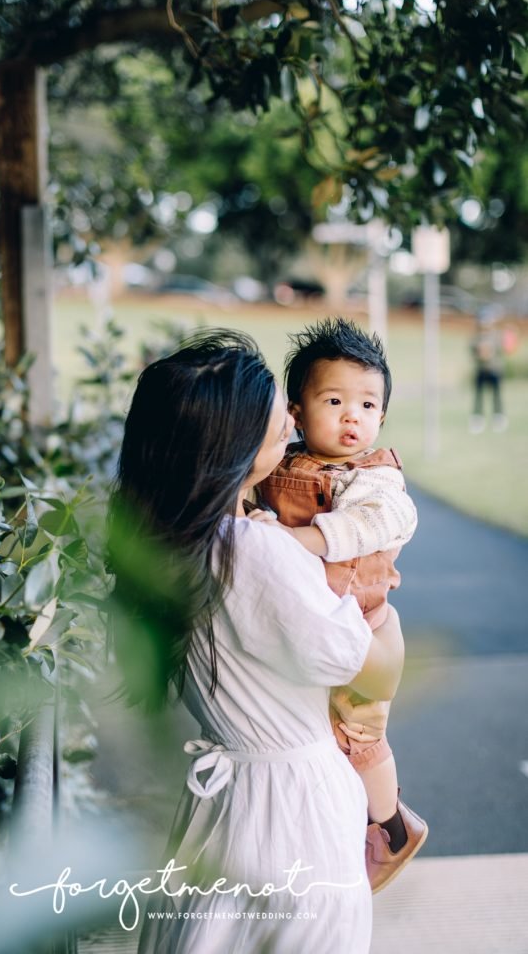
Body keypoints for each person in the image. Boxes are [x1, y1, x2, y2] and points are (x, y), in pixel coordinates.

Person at [107, 330, 404, 953]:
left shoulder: (170, 543)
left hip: (221, 808)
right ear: (233, 444)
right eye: (278, 417)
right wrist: (384, 618)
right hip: (293, 815)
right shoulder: (256, 551)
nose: (290, 423)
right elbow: (370, 670)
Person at [256, 318, 427, 894]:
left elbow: (379, 524)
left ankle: (392, 826)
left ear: (381, 417)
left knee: (358, 735)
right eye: (334, 400)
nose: (353, 416)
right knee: (319, 738)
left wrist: (294, 539)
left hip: (369, 631)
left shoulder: (373, 478)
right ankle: (341, 830)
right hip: (315, 630)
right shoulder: (278, 464)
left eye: (368, 404)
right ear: (297, 414)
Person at [469, 309, 508, 433]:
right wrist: (480, 353)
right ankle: (477, 419)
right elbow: (473, 352)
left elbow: (503, 349)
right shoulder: (476, 338)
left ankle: (499, 418)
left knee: (497, 396)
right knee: (478, 396)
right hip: (481, 370)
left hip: (494, 370)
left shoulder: (496, 336)